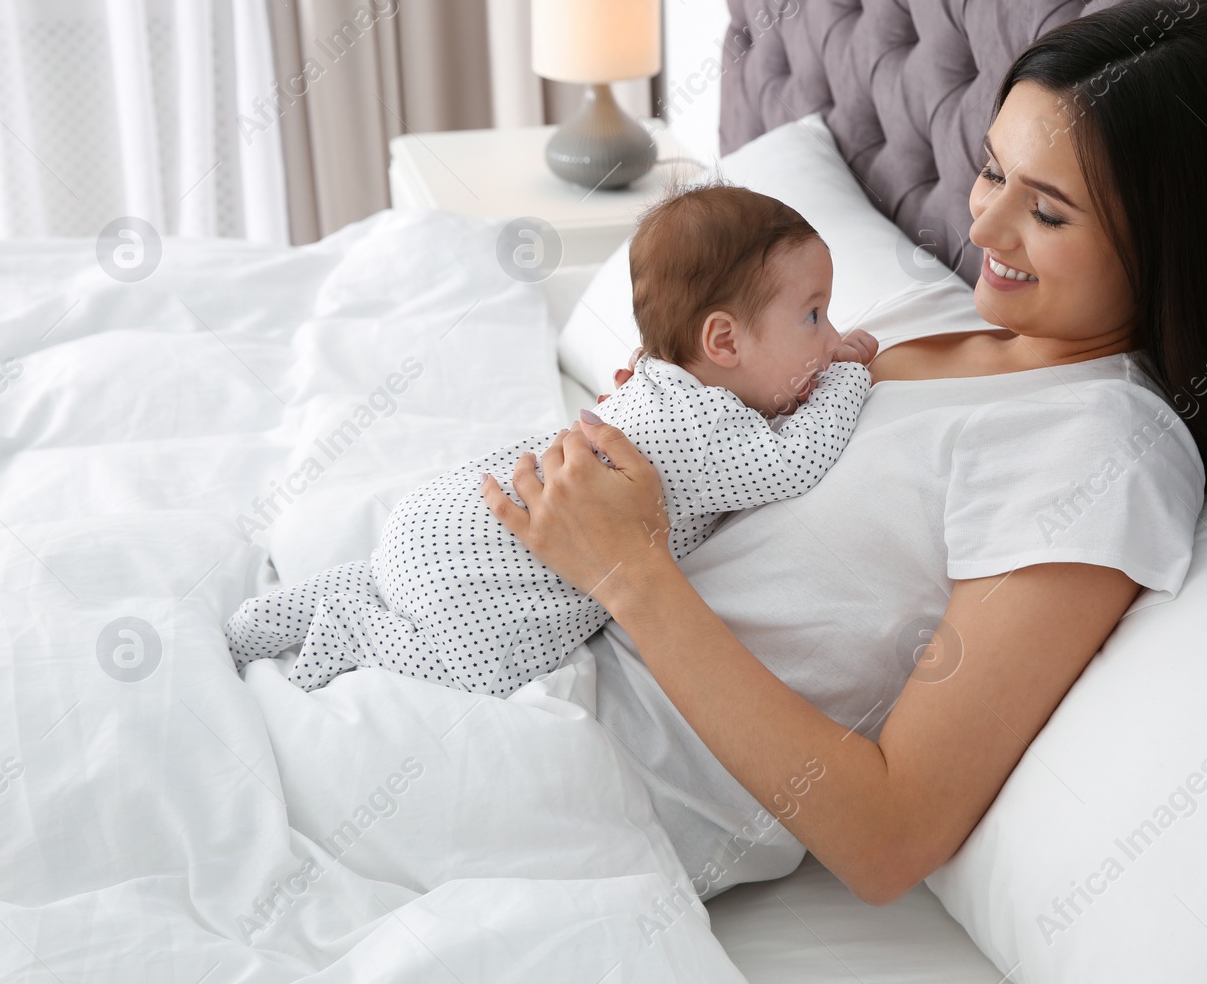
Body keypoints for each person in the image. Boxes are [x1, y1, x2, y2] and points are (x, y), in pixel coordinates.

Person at [479, 0, 1207, 904]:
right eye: (993, 172)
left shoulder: (1108, 450)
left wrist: (628, 572)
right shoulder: (942, 334)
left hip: (591, 773)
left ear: (1167, 243)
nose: (982, 228)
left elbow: (892, 835)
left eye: (1050, 214)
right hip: (520, 649)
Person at [225, 183, 879, 698]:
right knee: (475, 667)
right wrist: (851, 371)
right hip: (484, 573)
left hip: (446, 514)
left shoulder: (652, 380)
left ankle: (277, 615)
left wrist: (817, 355)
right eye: (813, 315)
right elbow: (797, 460)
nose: (829, 335)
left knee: (379, 577)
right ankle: (351, 630)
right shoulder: (711, 432)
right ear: (724, 341)